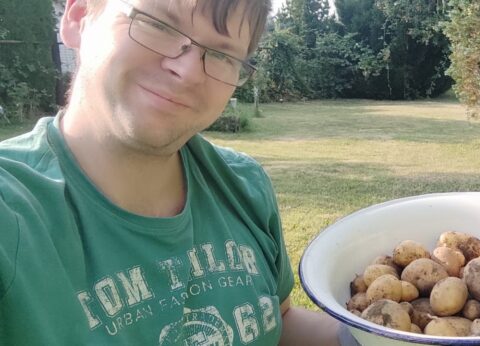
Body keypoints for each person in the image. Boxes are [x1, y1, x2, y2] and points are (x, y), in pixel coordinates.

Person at [0, 0, 345, 344]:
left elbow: (278, 323)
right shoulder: (12, 212)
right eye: (158, 25)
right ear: (78, 18)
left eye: (223, 54)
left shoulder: (245, 187)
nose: (189, 71)